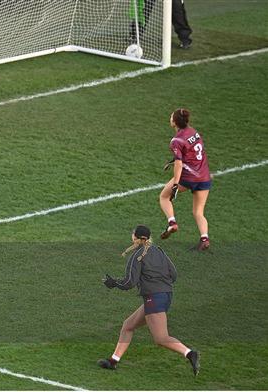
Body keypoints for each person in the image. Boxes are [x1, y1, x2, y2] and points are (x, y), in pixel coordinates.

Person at [97, 225, 200, 375]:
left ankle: (190, 353)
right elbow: (174, 274)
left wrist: (113, 283)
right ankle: (113, 361)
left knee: (161, 338)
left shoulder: (137, 256)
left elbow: (129, 283)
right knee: (128, 325)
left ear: (137, 238)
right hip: (166, 295)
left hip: (154, 297)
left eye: (133, 235)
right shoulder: (159, 250)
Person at [160, 108, 211, 251]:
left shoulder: (176, 141)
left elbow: (179, 163)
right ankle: (204, 239)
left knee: (164, 197)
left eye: (171, 117)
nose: (170, 119)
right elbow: (190, 152)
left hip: (189, 178)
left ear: (175, 122)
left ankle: (172, 223)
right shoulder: (193, 132)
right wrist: (171, 161)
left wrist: (176, 183)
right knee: (198, 212)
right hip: (204, 177)